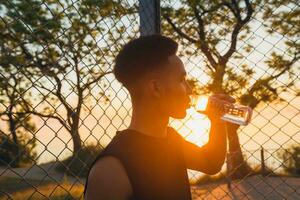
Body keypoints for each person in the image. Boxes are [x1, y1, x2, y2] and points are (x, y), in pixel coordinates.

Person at [84, 35, 237, 200]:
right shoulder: (110, 170)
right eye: (181, 79)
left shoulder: (171, 139)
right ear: (156, 88)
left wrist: (216, 121)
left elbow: (211, 162)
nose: (190, 89)